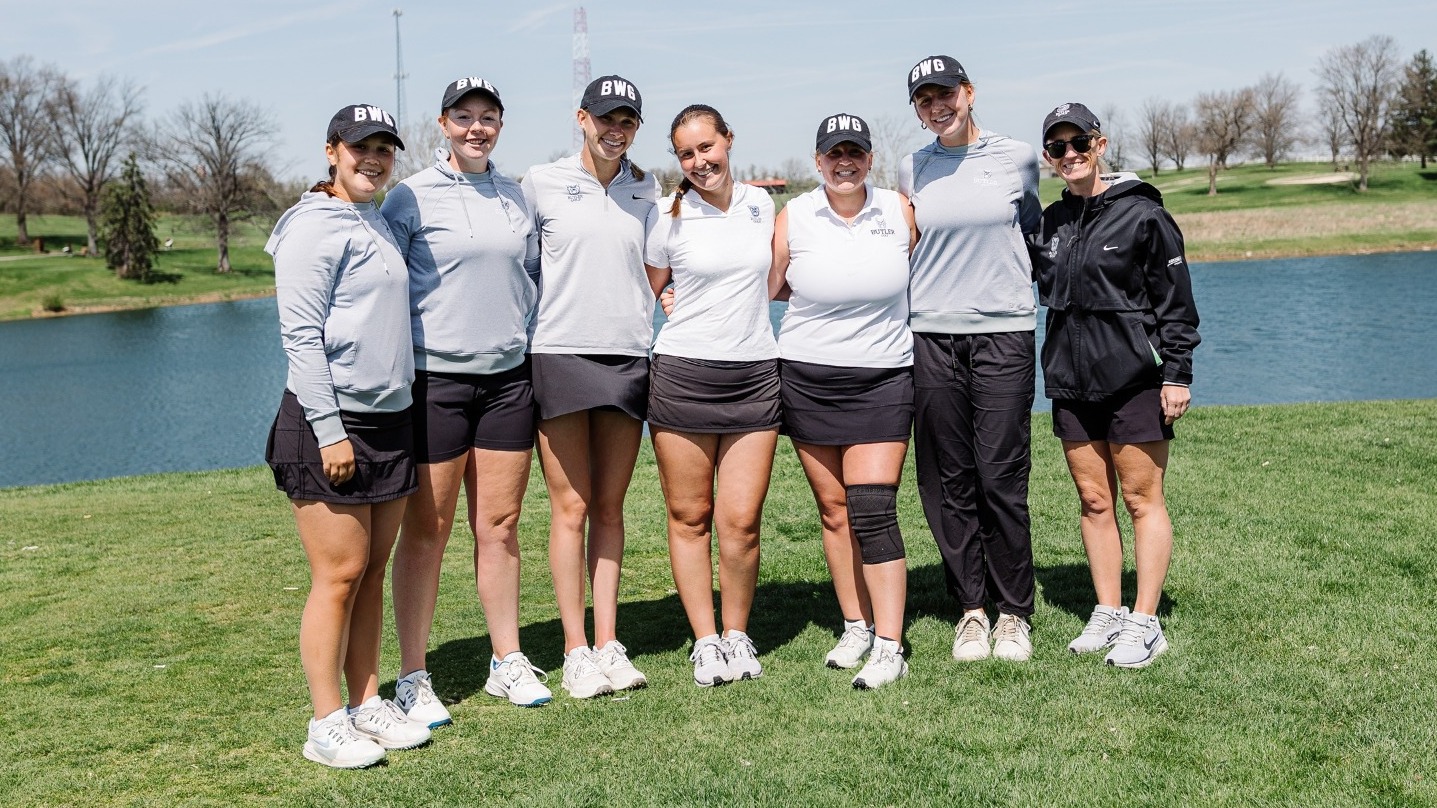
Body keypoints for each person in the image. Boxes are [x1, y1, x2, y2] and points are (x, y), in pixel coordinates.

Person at [265, 103, 431, 768]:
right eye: (361, 147)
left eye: (385, 149)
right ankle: (325, 720)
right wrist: (330, 432)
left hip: (390, 421)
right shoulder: (311, 226)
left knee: (370, 572)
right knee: (336, 576)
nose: (374, 159)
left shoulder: (376, 219)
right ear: (332, 150)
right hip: (328, 423)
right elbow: (300, 336)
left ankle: (366, 702)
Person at [382, 77, 550, 719]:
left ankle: (507, 661)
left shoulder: (515, 196)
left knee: (500, 526)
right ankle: (413, 676)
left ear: (500, 126)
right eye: (464, 117)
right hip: (437, 383)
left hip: (508, 381)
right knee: (429, 528)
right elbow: (384, 285)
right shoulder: (409, 198)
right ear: (442, 124)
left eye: (488, 117)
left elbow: (533, 277)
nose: (476, 128)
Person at [1030, 102, 1200, 668]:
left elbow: (1177, 305)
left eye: (1078, 142)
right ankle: (1108, 611)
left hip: (1135, 381)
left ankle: (1146, 622)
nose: (1069, 154)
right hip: (1071, 383)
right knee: (1094, 499)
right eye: (1057, 147)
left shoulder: (1144, 216)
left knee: (1140, 498)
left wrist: (1177, 373)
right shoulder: (1050, 224)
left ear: (1099, 144)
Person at [898, 55, 1042, 663]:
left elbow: (1035, 234)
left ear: (969, 92)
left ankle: (1014, 613)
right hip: (930, 335)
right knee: (945, 477)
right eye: (924, 99)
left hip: (1004, 333)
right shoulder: (912, 167)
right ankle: (972, 610)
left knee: (1000, 474)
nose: (937, 106)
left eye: (945, 94)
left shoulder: (1017, 158)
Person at [520, 75, 659, 698]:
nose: (615, 129)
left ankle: (609, 641)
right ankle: (574, 649)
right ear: (582, 118)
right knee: (571, 507)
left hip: (629, 356)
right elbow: (521, 269)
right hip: (560, 353)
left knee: (610, 506)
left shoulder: (647, 187)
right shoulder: (542, 182)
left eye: (627, 120)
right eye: (605, 118)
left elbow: (657, 267)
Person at [770, 113, 918, 690]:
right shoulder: (795, 215)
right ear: (818, 160)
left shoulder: (899, 211)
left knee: (873, 507)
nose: (844, 162)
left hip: (883, 377)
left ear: (870, 158)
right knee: (833, 511)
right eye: (834, 154)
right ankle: (854, 624)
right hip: (808, 376)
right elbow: (770, 285)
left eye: (855, 152)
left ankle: (889, 642)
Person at [644, 104, 779, 687]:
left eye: (707, 147)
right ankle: (705, 641)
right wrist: (670, 300)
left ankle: (738, 634)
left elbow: (773, 280)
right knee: (689, 515)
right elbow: (646, 289)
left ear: (729, 140)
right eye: (686, 154)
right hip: (682, 377)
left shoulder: (761, 204)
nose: (700, 162)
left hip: (754, 376)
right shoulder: (666, 218)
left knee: (742, 520)